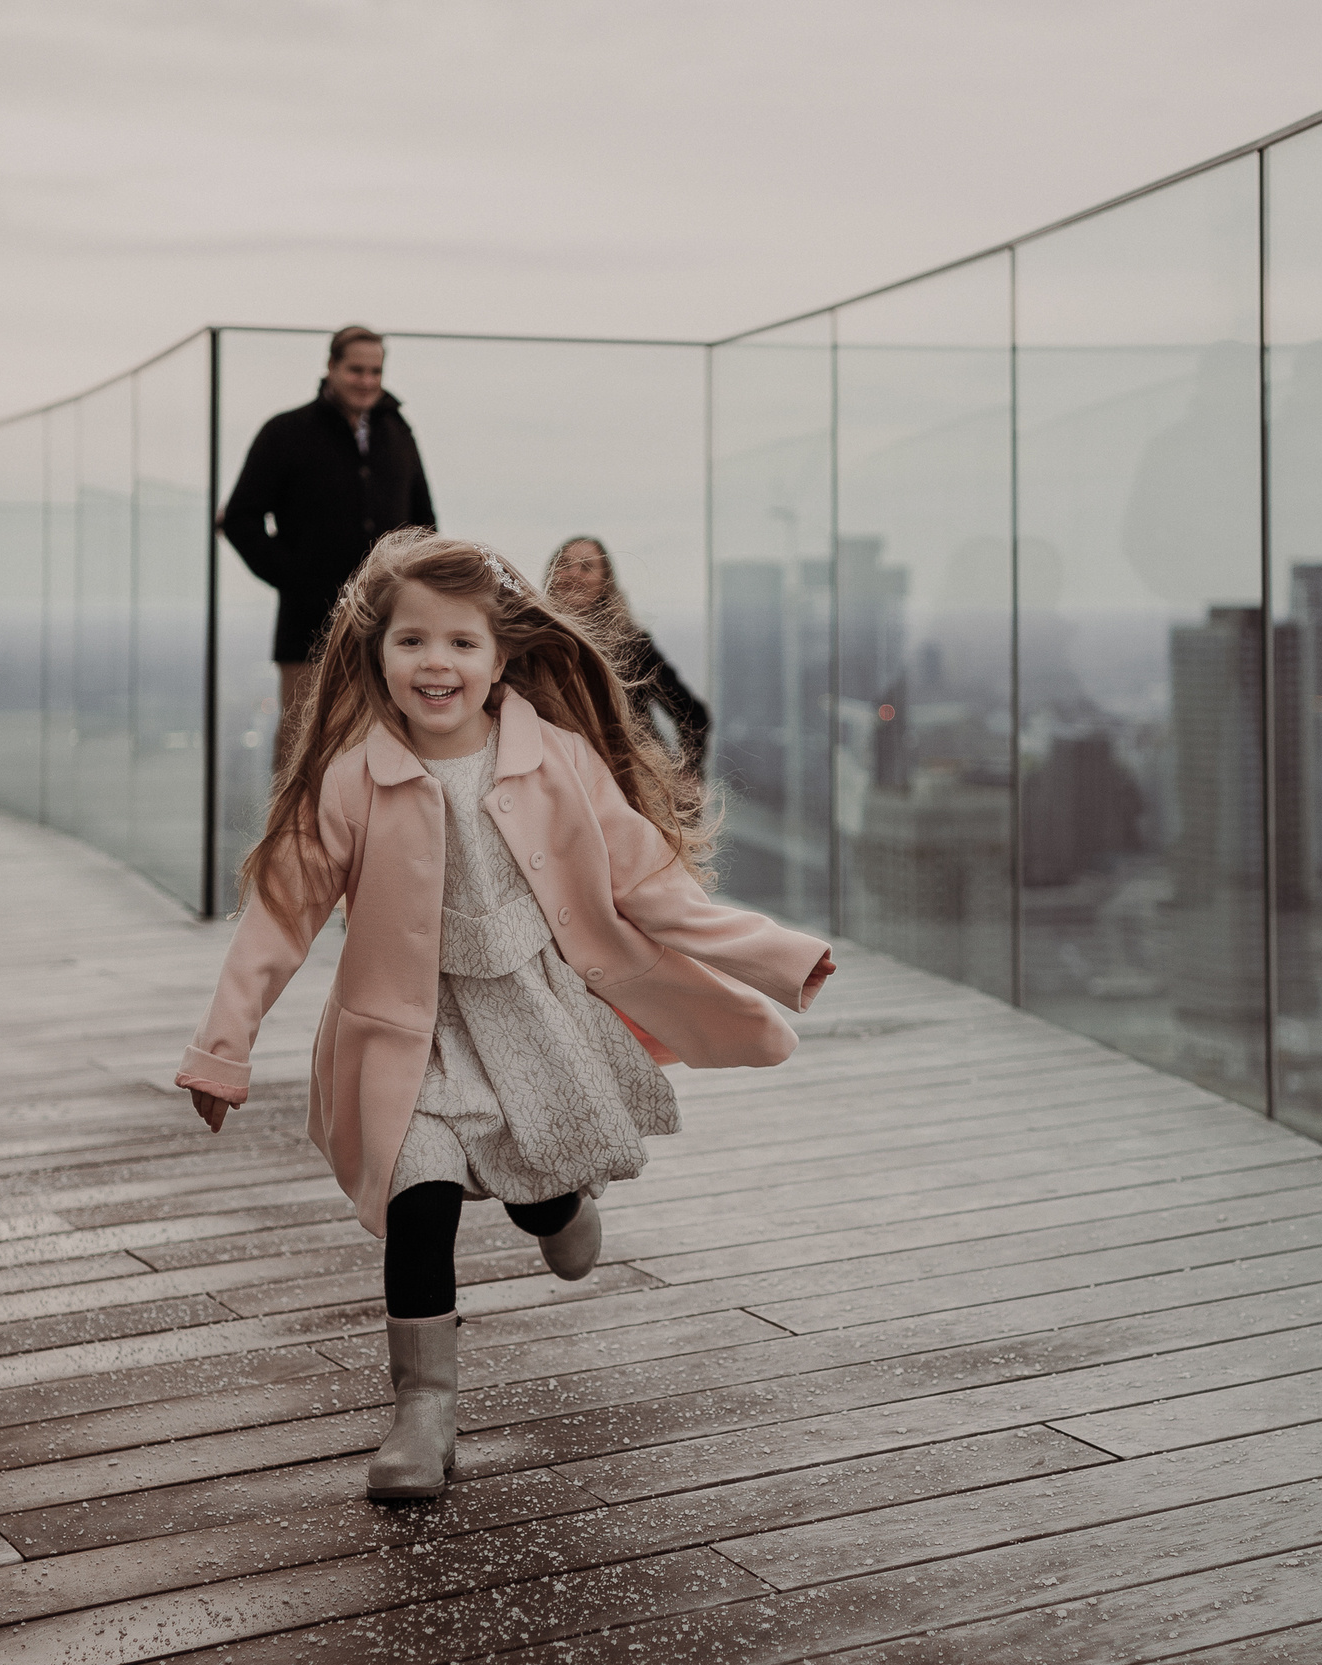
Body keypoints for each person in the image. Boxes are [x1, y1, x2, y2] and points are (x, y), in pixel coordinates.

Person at [175, 531, 835, 1501]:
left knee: (535, 1185)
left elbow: (651, 886)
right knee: (419, 1200)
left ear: (500, 658)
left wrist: (774, 955)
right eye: (411, 641)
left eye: (460, 643)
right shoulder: (353, 778)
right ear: (377, 653)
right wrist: (221, 1049)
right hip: (409, 1035)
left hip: (530, 1016)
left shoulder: (555, 759)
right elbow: (280, 914)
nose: (434, 663)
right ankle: (423, 1413)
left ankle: (558, 1206)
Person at [221, 326, 437, 761]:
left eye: (375, 371)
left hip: (388, 623)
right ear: (331, 367)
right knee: (303, 746)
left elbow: (424, 527)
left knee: (386, 745)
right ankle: (295, 814)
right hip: (309, 627)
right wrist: (296, 578)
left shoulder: (398, 433)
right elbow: (239, 519)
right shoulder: (285, 432)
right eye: (356, 370)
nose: (367, 381)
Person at [545, 535, 712, 772]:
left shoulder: (631, 644)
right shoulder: (534, 645)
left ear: (605, 582)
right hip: (564, 777)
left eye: (586, 567)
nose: (573, 574)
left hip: (633, 779)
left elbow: (693, 714)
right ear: (551, 576)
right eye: (564, 565)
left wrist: (687, 775)